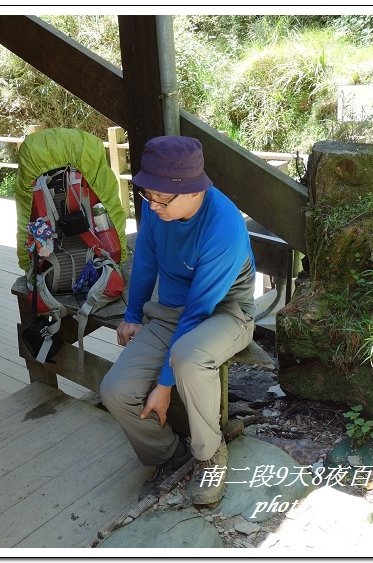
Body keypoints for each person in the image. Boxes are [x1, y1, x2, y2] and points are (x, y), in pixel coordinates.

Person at [100, 135, 256, 506]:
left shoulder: (224, 227)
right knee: (115, 391)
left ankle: (209, 454)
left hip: (225, 312)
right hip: (170, 313)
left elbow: (200, 310)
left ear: (191, 190)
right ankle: (171, 456)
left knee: (188, 357)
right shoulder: (158, 210)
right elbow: (146, 265)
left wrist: (165, 386)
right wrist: (134, 314)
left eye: (160, 199)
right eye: (146, 195)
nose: (152, 206)